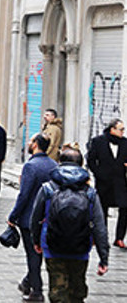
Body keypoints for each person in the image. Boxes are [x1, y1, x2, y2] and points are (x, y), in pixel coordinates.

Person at [30, 146, 109, 303]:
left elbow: (35, 218)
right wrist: (103, 257)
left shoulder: (48, 189)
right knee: (77, 292)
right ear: (81, 165)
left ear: (59, 163)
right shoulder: (90, 192)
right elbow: (100, 227)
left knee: (57, 292)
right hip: (80, 248)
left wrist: (36, 241)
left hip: (52, 245)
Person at [8, 133, 58, 302]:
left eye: (30, 141)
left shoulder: (31, 166)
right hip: (48, 216)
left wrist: (13, 216)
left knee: (32, 255)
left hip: (30, 217)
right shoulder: (53, 165)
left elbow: (24, 195)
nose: (28, 143)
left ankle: (37, 291)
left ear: (36, 144)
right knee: (39, 253)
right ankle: (28, 282)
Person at [86, 118, 127, 249]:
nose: (122, 132)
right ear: (112, 129)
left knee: (124, 208)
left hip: (121, 181)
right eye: (120, 129)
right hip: (104, 182)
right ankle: (102, 237)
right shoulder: (98, 141)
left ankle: (119, 237)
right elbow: (91, 160)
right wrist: (98, 174)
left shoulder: (125, 143)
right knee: (102, 210)